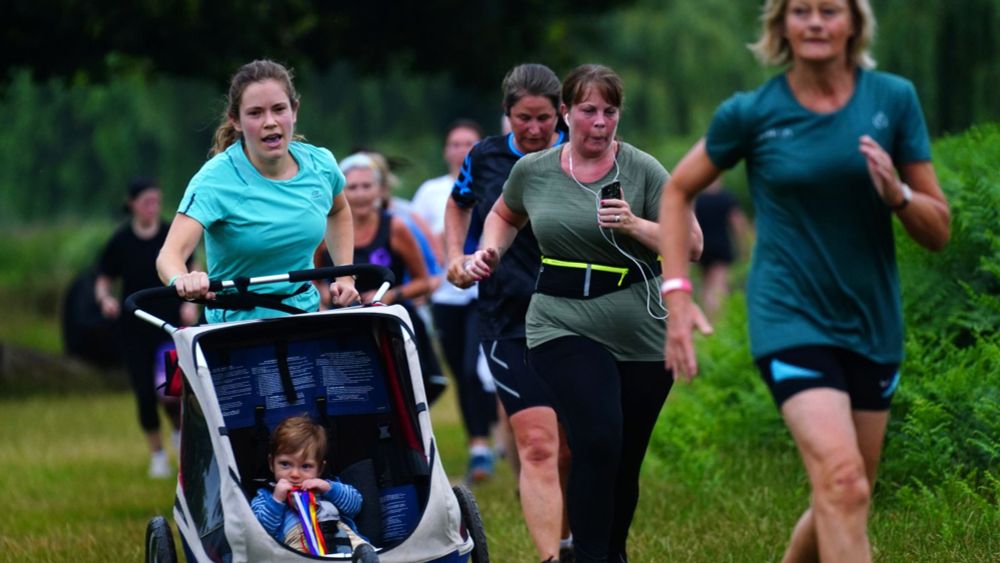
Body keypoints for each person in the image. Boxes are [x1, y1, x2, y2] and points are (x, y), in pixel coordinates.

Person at [658, 1, 951, 562]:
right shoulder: (751, 112)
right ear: (782, 26)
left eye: (829, 10)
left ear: (854, 24)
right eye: (800, 11)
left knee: (845, 494)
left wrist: (899, 195)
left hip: (871, 319)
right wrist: (677, 296)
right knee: (842, 483)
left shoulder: (893, 99)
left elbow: (938, 230)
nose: (815, 22)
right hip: (789, 316)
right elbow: (677, 191)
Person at [457, 63, 706, 563]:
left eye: (609, 112)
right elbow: (503, 214)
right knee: (597, 437)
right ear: (566, 113)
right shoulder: (535, 170)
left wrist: (636, 224)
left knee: (624, 456)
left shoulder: (643, 170)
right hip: (560, 319)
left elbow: (693, 244)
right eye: (589, 110)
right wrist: (490, 251)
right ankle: (589, 555)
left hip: (641, 323)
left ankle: (611, 551)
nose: (599, 122)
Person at [444, 63, 573, 562]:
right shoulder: (486, 157)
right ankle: (550, 558)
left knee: (573, 449)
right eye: (525, 119)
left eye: (545, 118)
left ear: (561, 113)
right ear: (507, 114)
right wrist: (455, 255)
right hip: (506, 317)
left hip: (576, 316)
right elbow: (459, 203)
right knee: (538, 446)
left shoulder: (578, 152)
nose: (537, 129)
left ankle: (573, 541)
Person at [156, 59, 359, 315]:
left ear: (294, 111)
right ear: (236, 120)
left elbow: (338, 211)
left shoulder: (320, 164)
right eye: (255, 113)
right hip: (236, 330)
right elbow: (169, 255)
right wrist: (182, 280)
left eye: (278, 109)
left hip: (304, 318)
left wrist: (345, 276)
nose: (270, 121)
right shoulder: (215, 179)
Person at [411, 120, 500, 482]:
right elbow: (415, 235)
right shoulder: (430, 192)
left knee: (472, 367)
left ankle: (485, 443)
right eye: (455, 143)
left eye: (469, 143)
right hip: (446, 295)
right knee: (461, 375)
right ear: (446, 150)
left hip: (485, 291)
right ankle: (479, 443)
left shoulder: (494, 180)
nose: (461, 149)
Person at [95, 177, 198, 478]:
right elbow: (103, 279)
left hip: (168, 324)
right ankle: (157, 454)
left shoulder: (170, 234)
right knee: (144, 392)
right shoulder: (120, 241)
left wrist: (190, 303)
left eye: (157, 200)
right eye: (146, 201)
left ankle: (180, 434)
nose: (153, 207)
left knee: (172, 391)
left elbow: (191, 267)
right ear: (132, 204)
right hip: (134, 327)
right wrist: (105, 301)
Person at [250, 415, 378, 560]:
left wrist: (328, 488)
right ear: (271, 463)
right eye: (285, 464)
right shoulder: (266, 496)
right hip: (298, 545)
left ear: (320, 468)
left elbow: (355, 505)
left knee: (365, 550)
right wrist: (277, 500)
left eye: (306, 466)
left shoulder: (325, 487)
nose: (294, 474)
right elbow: (260, 533)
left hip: (342, 536)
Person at [693, 177, 750, 320]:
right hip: (721, 247)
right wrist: (744, 247)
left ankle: (705, 316)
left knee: (705, 285)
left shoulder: (698, 199)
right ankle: (716, 321)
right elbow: (738, 223)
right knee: (718, 286)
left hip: (701, 247)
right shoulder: (726, 198)